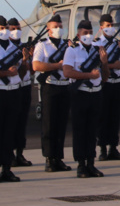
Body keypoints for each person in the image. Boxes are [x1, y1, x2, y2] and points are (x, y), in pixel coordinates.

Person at [63, 19, 109, 178]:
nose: (88, 35)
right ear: (78, 35)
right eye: (85, 33)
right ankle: (81, 164)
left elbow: (105, 77)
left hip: (95, 93)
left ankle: (91, 163)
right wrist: (89, 75)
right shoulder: (72, 51)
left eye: (90, 32)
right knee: (80, 130)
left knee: (92, 130)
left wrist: (104, 63)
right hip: (80, 94)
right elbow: (67, 72)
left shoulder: (98, 50)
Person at [32, 14, 73, 172]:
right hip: (50, 87)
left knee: (61, 124)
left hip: (64, 86)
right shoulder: (42, 45)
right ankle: (49, 159)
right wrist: (57, 66)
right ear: (48, 30)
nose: (58, 29)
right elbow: (36, 65)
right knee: (49, 124)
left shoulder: (67, 45)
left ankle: (58, 158)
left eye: (60, 27)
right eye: (55, 27)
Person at [94, 14, 120, 161]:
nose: (110, 28)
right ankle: (102, 148)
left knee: (115, 117)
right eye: (107, 25)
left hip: (117, 82)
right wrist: (113, 65)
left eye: (111, 25)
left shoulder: (118, 43)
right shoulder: (97, 44)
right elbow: (99, 64)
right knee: (103, 116)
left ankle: (113, 147)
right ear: (101, 27)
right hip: (105, 83)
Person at [7, 17, 34, 168]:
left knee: (22, 122)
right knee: (11, 123)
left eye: (18, 29)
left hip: (25, 87)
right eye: (12, 29)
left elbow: (30, 70)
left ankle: (19, 153)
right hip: (13, 88)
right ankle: (9, 154)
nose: (16, 31)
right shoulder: (8, 49)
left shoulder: (24, 47)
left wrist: (29, 57)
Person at [0, 16, 22, 182]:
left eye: (6, 28)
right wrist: (7, 73)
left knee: (9, 132)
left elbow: (20, 69)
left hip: (13, 91)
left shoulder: (14, 48)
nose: (5, 31)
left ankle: (7, 168)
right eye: (1, 28)